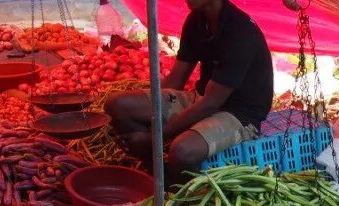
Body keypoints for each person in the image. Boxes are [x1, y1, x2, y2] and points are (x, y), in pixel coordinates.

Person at [105, 0, 273, 184]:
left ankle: (175, 190)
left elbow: (210, 104)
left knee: (182, 150)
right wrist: (146, 106)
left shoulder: (241, 33)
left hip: (238, 114)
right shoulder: (197, 21)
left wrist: (155, 136)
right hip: (201, 99)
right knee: (119, 105)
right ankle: (156, 172)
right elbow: (176, 80)